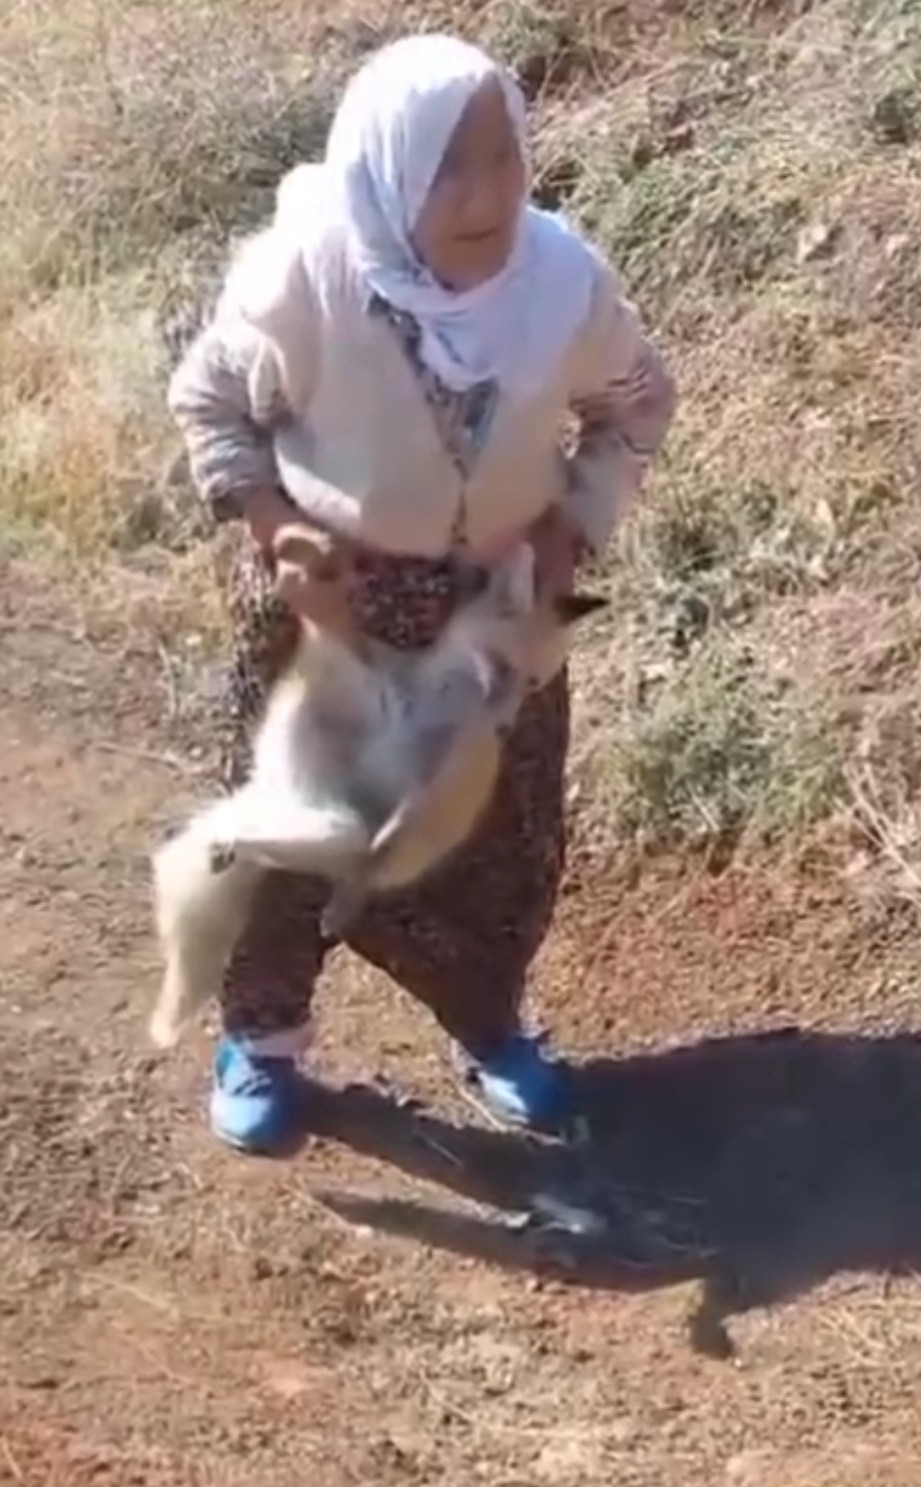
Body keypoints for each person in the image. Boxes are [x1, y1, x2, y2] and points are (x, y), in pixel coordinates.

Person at [168, 32, 675, 1154]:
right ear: (388, 169)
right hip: (330, 611)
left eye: (504, 156)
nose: (487, 194)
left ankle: (489, 1025)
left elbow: (638, 403)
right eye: (449, 167)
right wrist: (277, 526)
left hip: (495, 616)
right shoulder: (311, 274)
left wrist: (571, 525)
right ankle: (261, 1039)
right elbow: (211, 403)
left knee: (498, 840)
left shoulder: (562, 284)